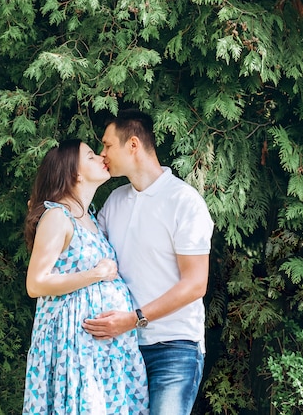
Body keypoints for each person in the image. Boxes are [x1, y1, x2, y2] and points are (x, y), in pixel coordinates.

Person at [83, 110, 214, 415]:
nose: (102, 154)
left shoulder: (184, 201)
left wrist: (133, 318)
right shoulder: (115, 201)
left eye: (107, 145)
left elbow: (195, 284)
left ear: (132, 145)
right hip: (122, 347)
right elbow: (88, 253)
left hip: (174, 346)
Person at [22, 139, 149, 415]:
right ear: (74, 173)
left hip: (103, 355)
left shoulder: (89, 218)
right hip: (74, 350)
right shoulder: (58, 217)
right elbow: (36, 283)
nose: (101, 157)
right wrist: (95, 274)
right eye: (90, 156)